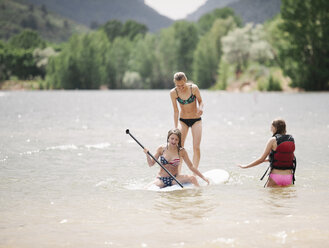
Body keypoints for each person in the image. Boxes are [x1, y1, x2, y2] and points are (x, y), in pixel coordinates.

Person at [238, 119, 296, 187]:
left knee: (269, 197)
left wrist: (245, 166)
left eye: (271, 127)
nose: (270, 129)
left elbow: (261, 159)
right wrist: (269, 160)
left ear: (275, 128)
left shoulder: (272, 140)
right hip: (288, 177)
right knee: (284, 197)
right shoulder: (291, 139)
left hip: (275, 176)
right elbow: (284, 157)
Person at [144, 128, 209, 188]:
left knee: (193, 178)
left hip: (175, 179)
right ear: (168, 138)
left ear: (179, 141)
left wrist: (203, 177)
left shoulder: (181, 151)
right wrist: (147, 155)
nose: (174, 141)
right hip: (161, 179)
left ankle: (198, 196)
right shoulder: (161, 149)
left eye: (176, 139)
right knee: (146, 188)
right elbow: (151, 164)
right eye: (172, 138)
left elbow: (191, 166)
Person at [170, 72, 204, 173]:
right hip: (183, 121)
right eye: (177, 85)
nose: (180, 87)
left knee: (196, 147)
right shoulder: (173, 93)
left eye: (182, 85)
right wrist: (175, 127)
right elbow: (176, 110)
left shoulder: (193, 88)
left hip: (196, 120)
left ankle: (194, 173)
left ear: (186, 81)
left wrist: (201, 108)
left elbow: (201, 101)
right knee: (179, 148)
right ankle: (178, 173)